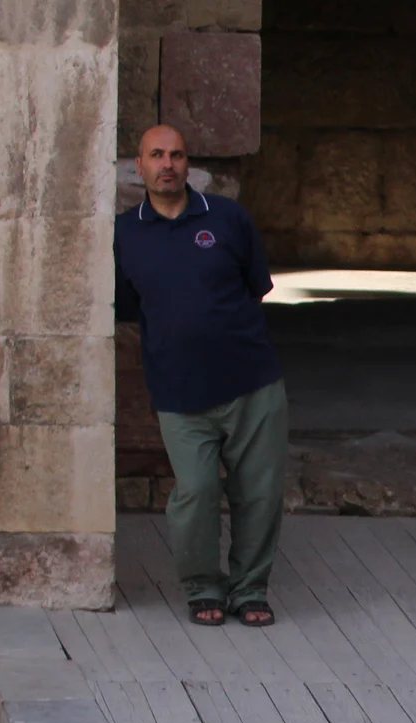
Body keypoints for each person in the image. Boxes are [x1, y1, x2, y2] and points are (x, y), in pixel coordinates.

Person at [113, 124, 290, 628]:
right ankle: (202, 588)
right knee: (194, 493)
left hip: (252, 381)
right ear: (139, 165)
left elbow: (256, 285)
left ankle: (250, 589)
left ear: (188, 164)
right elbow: (130, 306)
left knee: (258, 493)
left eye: (176, 155)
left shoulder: (228, 219)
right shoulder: (126, 232)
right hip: (178, 389)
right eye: (156, 155)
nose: (167, 164)